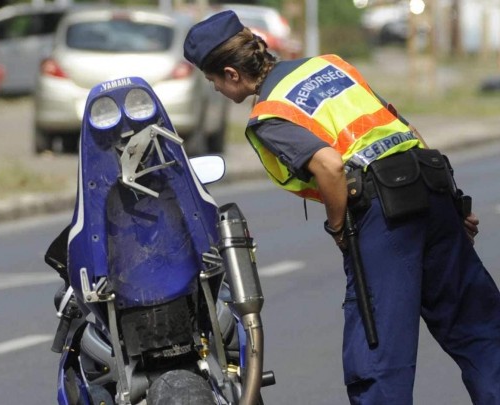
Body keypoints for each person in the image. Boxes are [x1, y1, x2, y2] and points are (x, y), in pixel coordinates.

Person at [183, 10, 500, 404]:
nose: (214, 88)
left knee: (379, 360)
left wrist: (337, 228)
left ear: (232, 73)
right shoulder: (329, 65)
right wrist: (452, 205)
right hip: (428, 188)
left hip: (383, 215)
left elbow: (330, 166)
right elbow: (404, 128)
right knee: (481, 334)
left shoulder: (270, 115)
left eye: (212, 79)